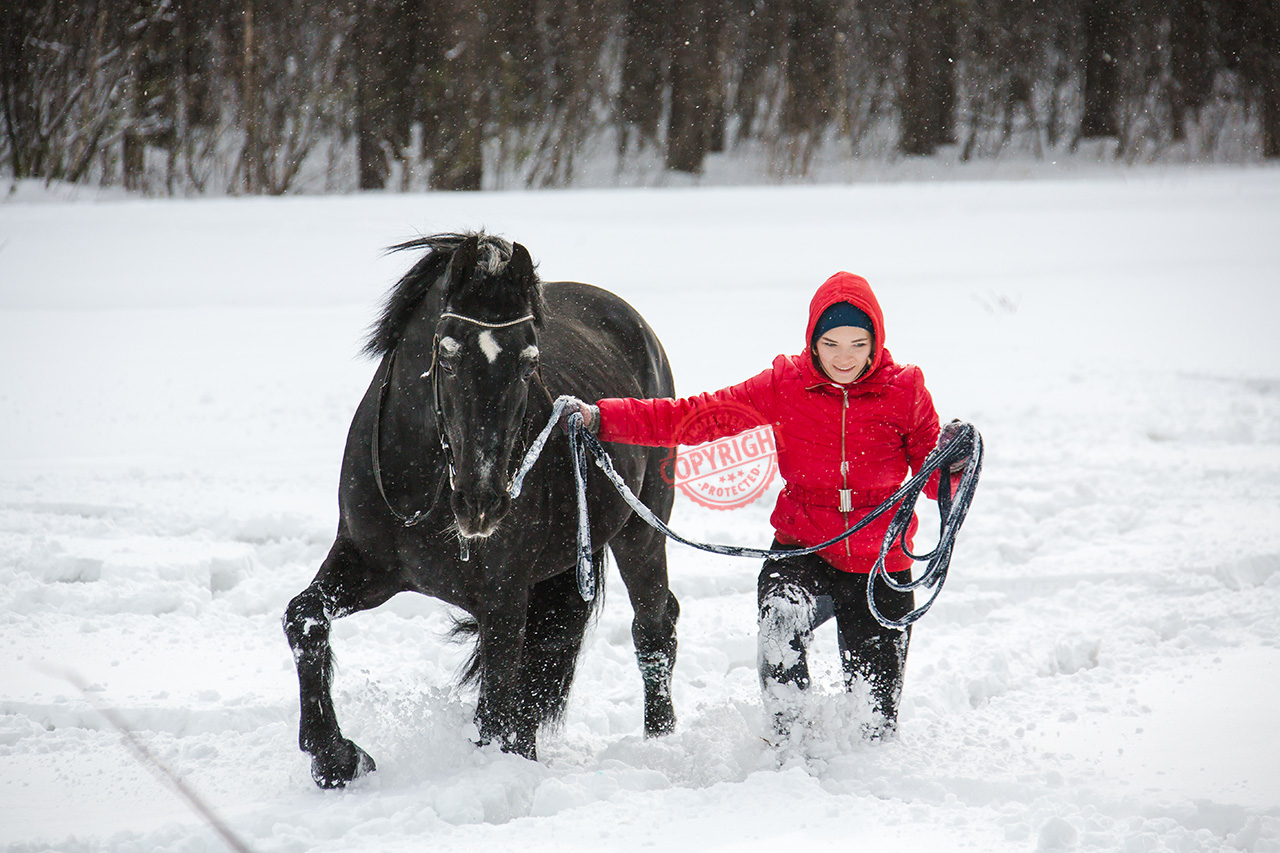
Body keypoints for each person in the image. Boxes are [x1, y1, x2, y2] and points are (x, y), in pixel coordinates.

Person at [563, 271, 968, 742]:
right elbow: (698, 416)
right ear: (813, 340)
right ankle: (789, 742)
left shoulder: (906, 392)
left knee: (873, 727)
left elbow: (937, 483)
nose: (844, 358)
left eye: (858, 344)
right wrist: (602, 417)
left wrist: (952, 462)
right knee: (780, 617)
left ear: (876, 341)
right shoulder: (786, 384)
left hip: (882, 561)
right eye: (831, 342)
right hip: (803, 550)